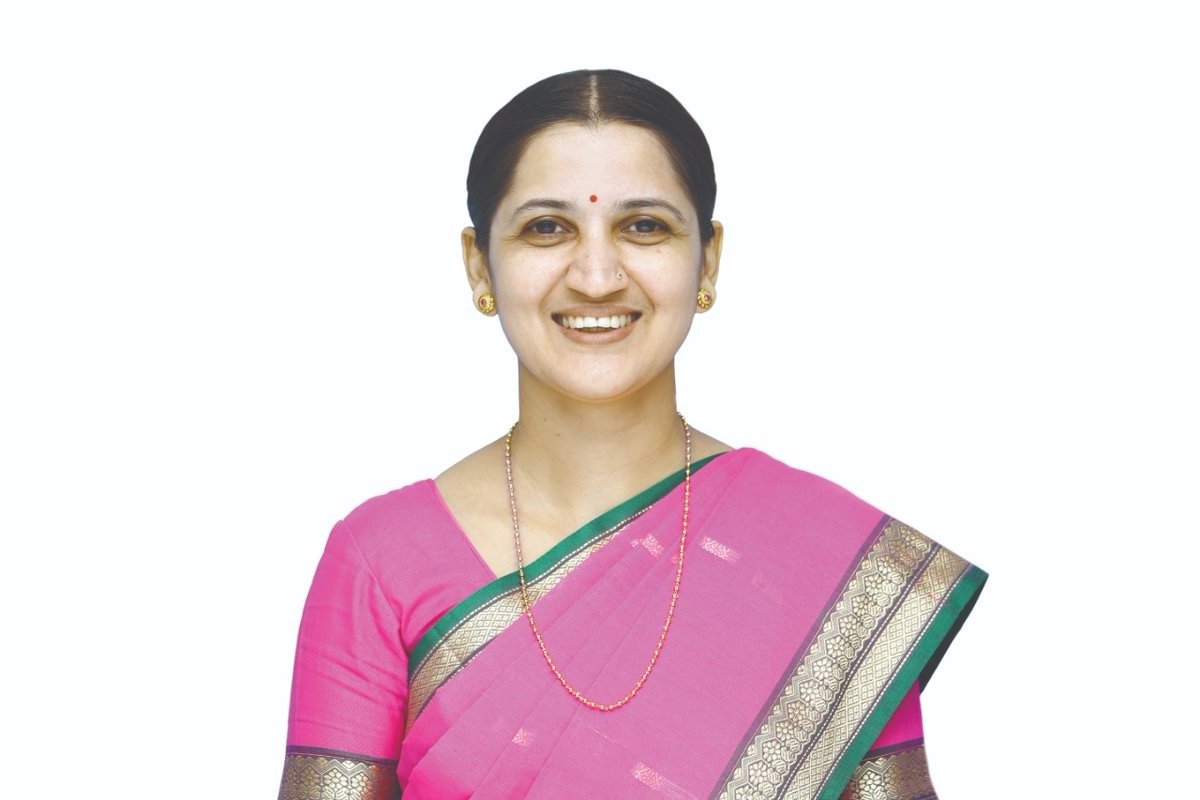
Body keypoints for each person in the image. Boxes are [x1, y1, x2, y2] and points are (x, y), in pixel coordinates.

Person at [276, 69, 986, 800]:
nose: (596, 276)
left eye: (643, 226)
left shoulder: (830, 565)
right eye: (546, 228)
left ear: (708, 258)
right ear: (478, 265)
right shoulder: (381, 561)